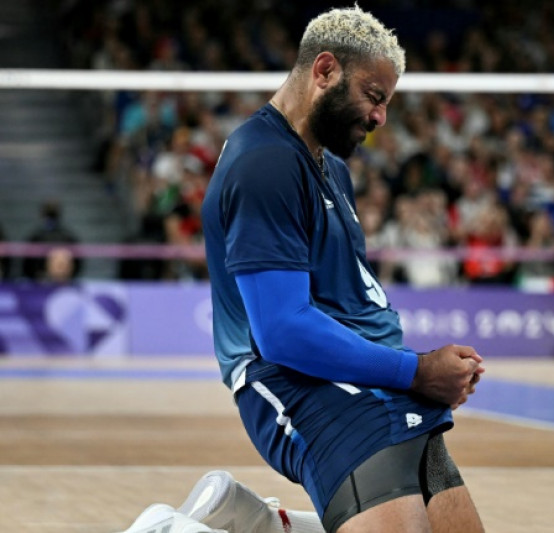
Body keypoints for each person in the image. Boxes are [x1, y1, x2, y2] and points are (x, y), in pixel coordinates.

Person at [120, 7, 485, 533]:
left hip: (365, 378)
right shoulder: (265, 163)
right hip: (297, 382)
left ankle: (268, 526)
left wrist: (412, 373)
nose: (381, 117)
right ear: (324, 71)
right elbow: (283, 331)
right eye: (374, 97)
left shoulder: (329, 166)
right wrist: (417, 369)